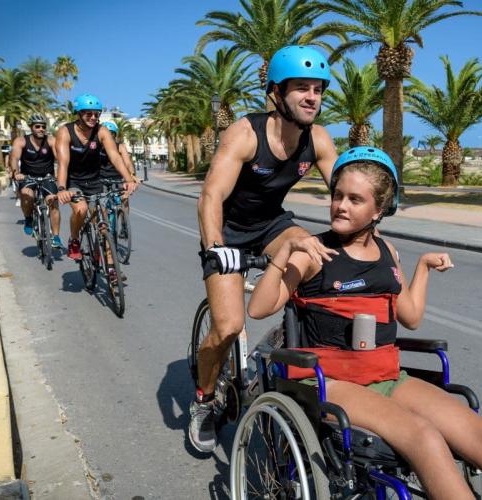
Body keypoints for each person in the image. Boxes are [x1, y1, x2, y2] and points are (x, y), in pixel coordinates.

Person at [247, 147, 482, 500]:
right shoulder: (313, 252)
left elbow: (410, 317)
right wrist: (285, 252)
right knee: (425, 437)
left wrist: (423, 268)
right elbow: (259, 308)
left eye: (355, 199)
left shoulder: (388, 251)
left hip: (386, 376)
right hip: (331, 381)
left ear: (379, 209)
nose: (341, 206)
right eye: (338, 195)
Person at [190, 45, 339, 453]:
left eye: (318, 89)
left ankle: (287, 341)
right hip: (229, 231)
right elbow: (211, 196)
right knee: (227, 327)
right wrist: (216, 248)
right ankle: (203, 400)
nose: (312, 97)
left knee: (316, 256)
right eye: (301, 88)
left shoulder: (318, 138)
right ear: (276, 93)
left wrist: (376, 204)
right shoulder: (245, 133)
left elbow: (345, 187)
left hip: (273, 225)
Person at [55, 94, 137, 283]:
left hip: (95, 181)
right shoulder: (65, 132)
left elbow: (115, 156)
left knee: (103, 226)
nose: (93, 118)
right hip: (73, 181)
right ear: (79, 114)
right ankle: (74, 240)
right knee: (81, 209)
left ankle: (112, 269)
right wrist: (61, 188)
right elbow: (63, 164)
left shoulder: (101, 131)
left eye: (96, 114)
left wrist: (128, 179)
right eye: (88, 114)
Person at [8, 113, 63, 249]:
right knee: (27, 195)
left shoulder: (51, 140)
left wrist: (61, 174)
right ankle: (28, 218)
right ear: (31, 127)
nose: (41, 129)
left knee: (53, 202)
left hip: (47, 177)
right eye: (37, 126)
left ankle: (56, 237)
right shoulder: (21, 141)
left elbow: (60, 159)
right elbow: (14, 159)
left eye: (43, 126)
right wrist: (16, 173)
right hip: (27, 177)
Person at [100, 121, 137, 216]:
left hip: (117, 178)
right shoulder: (96, 147)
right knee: (102, 204)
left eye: (111, 134)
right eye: (107, 134)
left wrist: (132, 175)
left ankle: (125, 221)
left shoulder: (120, 147)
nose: (109, 136)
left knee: (124, 200)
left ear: (115, 135)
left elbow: (128, 163)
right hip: (101, 179)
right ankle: (104, 224)